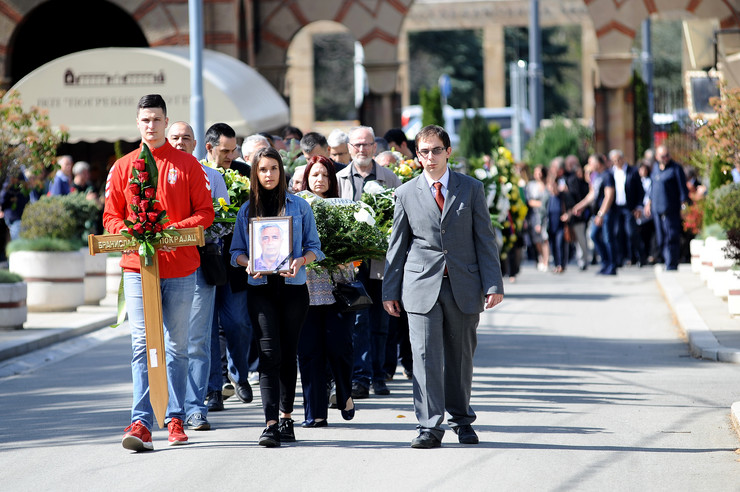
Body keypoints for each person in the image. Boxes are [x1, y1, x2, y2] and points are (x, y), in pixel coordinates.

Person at [103, 94, 214, 451]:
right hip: (137, 269)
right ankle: (141, 422)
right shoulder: (123, 166)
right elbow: (110, 217)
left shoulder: (187, 164)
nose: (150, 125)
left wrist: (171, 233)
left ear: (167, 122)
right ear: (138, 123)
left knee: (177, 347)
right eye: (145, 120)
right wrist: (133, 235)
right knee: (142, 344)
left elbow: (205, 213)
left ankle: (176, 418)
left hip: (181, 269)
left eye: (156, 119)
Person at [383, 124, 504, 449]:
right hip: (421, 287)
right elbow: (397, 246)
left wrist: (493, 283)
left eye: (436, 150)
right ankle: (429, 427)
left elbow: (485, 239)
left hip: (463, 285)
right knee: (424, 357)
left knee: (460, 358)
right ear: (417, 155)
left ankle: (462, 420)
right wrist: (389, 291)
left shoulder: (471, 188)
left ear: (448, 152)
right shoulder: (406, 193)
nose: (431, 157)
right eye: (424, 151)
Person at [230, 146, 324, 447]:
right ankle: (270, 424)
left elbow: (315, 247)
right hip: (261, 291)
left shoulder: (299, 206)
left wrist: (301, 261)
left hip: (294, 289)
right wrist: (249, 264)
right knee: (268, 355)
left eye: (273, 168)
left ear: (281, 172)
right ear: (255, 174)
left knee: (287, 354)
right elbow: (235, 253)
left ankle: (286, 418)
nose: (269, 174)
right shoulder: (247, 211)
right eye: (262, 169)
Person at [167, 121, 229, 432]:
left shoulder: (213, 177)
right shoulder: (153, 175)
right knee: (164, 342)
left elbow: (224, 221)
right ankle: (169, 407)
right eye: (174, 138)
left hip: (200, 267)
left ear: (196, 145)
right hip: (160, 267)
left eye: (185, 138)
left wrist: (195, 233)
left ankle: (195, 408)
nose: (180, 142)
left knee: (197, 342)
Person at [336, 126, 402, 399]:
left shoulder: (391, 178)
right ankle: (361, 377)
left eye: (366, 144)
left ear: (374, 147)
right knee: (358, 320)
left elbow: (400, 221)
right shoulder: (339, 178)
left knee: (381, 320)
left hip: (381, 261)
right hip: (351, 263)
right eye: (356, 145)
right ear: (349, 147)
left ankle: (379, 375)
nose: (361, 149)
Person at [297, 155, 356, 427]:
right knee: (310, 353)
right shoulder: (296, 207)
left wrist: (347, 253)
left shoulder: (345, 207)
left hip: (336, 290)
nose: (319, 180)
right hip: (305, 290)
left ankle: (344, 391)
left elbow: (356, 247)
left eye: (325, 175)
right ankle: (315, 412)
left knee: (338, 347)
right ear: (306, 178)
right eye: (314, 175)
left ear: (332, 180)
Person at [202, 123, 254, 412]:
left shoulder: (245, 172)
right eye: (225, 150)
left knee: (238, 324)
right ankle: (214, 388)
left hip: (237, 262)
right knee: (208, 329)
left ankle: (240, 374)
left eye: (234, 149)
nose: (231, 155)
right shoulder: (198, 172)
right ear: (209, 148)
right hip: (206, 262)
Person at [645, 145, 689, 271]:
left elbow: (682, 190)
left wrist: (684, 206)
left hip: (671, 209)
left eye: (667, 155)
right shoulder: (655, 169)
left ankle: (672, 263)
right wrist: (649, 202)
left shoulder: (675, 168)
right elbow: (652, 187)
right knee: (661, 238)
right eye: (662, 156)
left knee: (671, 236)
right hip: (657, 208)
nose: (665, 158)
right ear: (657, 157)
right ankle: (666, 260)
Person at [573, 153, 617, 275]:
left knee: (608, 238)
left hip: (606, 213)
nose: (589, 165)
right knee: (594, 236)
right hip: (597, 213)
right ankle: (605, 263)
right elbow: (591, 195)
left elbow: (609, 195)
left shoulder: (607, 175)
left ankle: (612, 265)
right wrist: (580, 206)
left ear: (597, 163)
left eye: (590, 162)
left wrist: (601, 214)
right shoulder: (596, 176)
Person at [608, 149, 644, 267]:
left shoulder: (632, 171)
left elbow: (640, 190)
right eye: (614, 160)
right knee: (617, 233)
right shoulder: (611, 172)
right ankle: (620, 258)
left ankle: (640, 256)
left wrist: (639, 206)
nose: (617, 162)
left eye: (619, 159)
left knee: (631, 232)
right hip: (616, 207)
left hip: (629, 207)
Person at [526, 165, 550, 272]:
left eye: (540, 172)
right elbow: (530, 201)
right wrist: (542, 204)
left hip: (546, 214)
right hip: (535, 215)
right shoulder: (531, 186)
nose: (538, 174)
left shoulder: (548, 184)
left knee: (545, 238)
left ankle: (546, 260)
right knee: (537, 239)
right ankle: (540, 256)